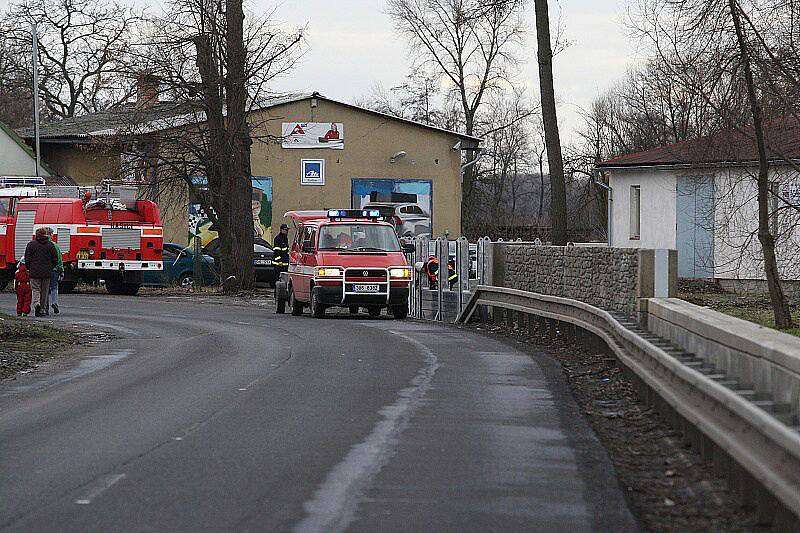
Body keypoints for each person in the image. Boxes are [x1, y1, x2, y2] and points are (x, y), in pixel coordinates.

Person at [24, 227, 59, 317]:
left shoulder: (31, 245)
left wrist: (29, 267)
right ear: (46, 235)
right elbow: (55, 259)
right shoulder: (50, 245)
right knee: (45, 291)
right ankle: (43, 309)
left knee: (35, 289)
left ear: (36, 235)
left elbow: (27, 258)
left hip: (34, 271)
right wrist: (51, 267)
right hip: (47, 272)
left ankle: (36, 304)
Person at [46, 227, 63, 314]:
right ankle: (54, 302)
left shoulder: (41, 244)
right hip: (54, 269)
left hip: (44, 270)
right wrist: (61, 270)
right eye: (52, 234)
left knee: (44, 288)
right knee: (54, 287)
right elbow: (59, 259)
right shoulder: (55, 245)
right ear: (50, 234)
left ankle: (45, 307)